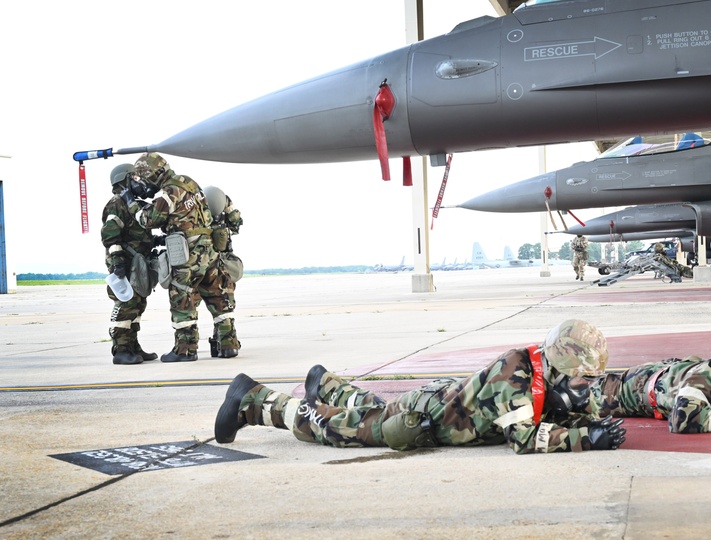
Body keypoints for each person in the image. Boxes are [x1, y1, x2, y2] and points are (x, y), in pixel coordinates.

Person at [214, 319, 627, 454]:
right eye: (581, 376)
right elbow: (523, 439)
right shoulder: (514, 377)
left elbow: (548, 407)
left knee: (372, 410)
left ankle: (328, 383)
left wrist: (586, 412)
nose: (584, 385)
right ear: (563, 363)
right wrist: (584, 437)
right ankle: (254, 400)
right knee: (337, 428)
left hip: (442, 400)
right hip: (428, 415)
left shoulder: (538, 367)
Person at [120, 152, 234, 362]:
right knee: (218, 297)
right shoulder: (189, 182)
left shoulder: (168, 192)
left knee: (182, 298)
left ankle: (186, 350)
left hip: (189, 254)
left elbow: (147, 220)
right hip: (210, 251)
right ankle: (228, 345)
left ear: (153, 175)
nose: (146, 185)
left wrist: (130, 202)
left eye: (145, 180)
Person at [100, 164, 158, 365]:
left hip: (138, 262)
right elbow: (110, 234)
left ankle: (133, 345)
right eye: (134, 176)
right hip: (125, 262)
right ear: (124, 180)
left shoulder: (132, 203)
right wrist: (117, 263)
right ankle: (121, 350)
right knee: (126, 304)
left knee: (138, 305)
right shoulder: (117, 204)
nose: (138, 180)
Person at [203, 186, 244, 358]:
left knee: (188, 306)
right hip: (224, 263)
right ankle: (228, 345)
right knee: (223, 306)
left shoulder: (198, 208)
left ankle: (185, 346)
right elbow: (236, 223)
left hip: (200, 263)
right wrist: (228, 205)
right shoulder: (224, 207)